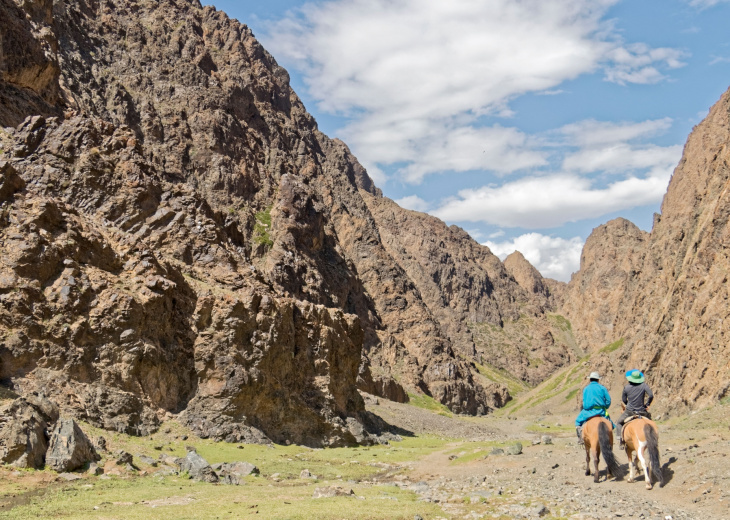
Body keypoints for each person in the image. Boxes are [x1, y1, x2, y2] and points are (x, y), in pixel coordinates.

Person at [616, 369, 654, 448]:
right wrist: (647, 404)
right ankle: (653, 438)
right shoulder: (644, 386)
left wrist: (627, 404)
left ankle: (621, 441)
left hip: (629, 412)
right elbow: (651, 395)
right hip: (642, 411)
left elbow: (623, 399)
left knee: (619, 422)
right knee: (651, 423)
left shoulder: (626, 387)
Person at [575, 371, 613, 445]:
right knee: (610, 423)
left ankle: (580, 439)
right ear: (598, 380)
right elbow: (608, 400)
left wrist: (586, 407)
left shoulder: (586, 389)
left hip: (588, 412)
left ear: (590, 379)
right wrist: (606, 406)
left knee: (577, 421)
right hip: (601, 411)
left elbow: (584, 402)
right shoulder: (603, 388)